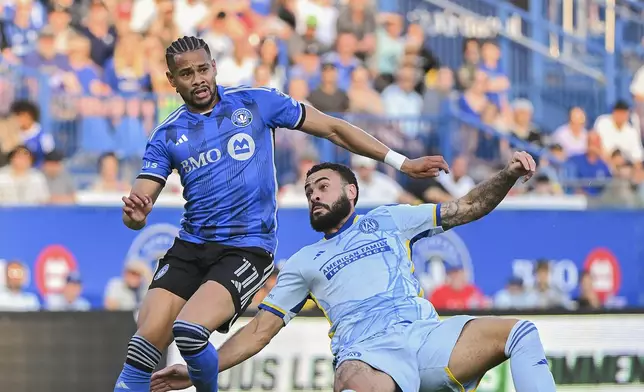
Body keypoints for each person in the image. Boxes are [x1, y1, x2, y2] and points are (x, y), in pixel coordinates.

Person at [114, 35, 449, 392]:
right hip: (191, 244)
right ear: (172, 80)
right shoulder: (167, 134)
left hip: (247, 248)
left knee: (190, 332)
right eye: (186, 74)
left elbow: (334, 128)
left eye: (202, 69)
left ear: (214, 68)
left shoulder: (256, 103)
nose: (197, 79)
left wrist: (402, 162)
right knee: (142, 347)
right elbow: (138, 204)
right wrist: (136, 214)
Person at [149, 151, 557, 392]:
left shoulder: (389, 219)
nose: (314, 196)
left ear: (351, 191)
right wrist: (198, 369)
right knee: (354, 383)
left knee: (520, 332)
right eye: (309, 192)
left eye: (322, 186)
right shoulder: (306, 261)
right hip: (367, 354)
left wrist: (508, 175)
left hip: (426, 336)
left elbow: (467, 207)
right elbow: (259, 332)